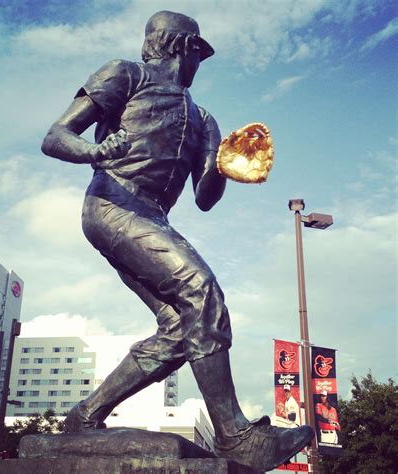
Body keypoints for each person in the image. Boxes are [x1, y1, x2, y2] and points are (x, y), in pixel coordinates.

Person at [41, 10, 313, 471]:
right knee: (201, 291)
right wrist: (95, 150)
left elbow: (205, 198)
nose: (197, 65)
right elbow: (56, 136)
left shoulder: (203, 118)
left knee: (179, 331)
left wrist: (228, 165)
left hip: (153, 219)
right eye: (198, 54)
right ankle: (235, 437)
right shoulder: (124, 74)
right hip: (113, 205)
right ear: (180, 46)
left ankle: (84, 415)